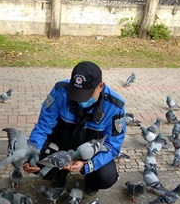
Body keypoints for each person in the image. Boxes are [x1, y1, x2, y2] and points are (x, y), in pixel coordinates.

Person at [23, 61, 126, 195]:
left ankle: (91, 180)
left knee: (106, 177)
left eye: (86, 95)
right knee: (35, 158)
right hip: (63, 141)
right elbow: (43, 127)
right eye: (76, 94)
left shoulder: (114, 106)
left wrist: (86, 165)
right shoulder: (60, 91)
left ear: (101, 86)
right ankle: (59, 174)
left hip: (90, 150)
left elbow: (112, 146)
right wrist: (31, 154)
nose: (80, 100)